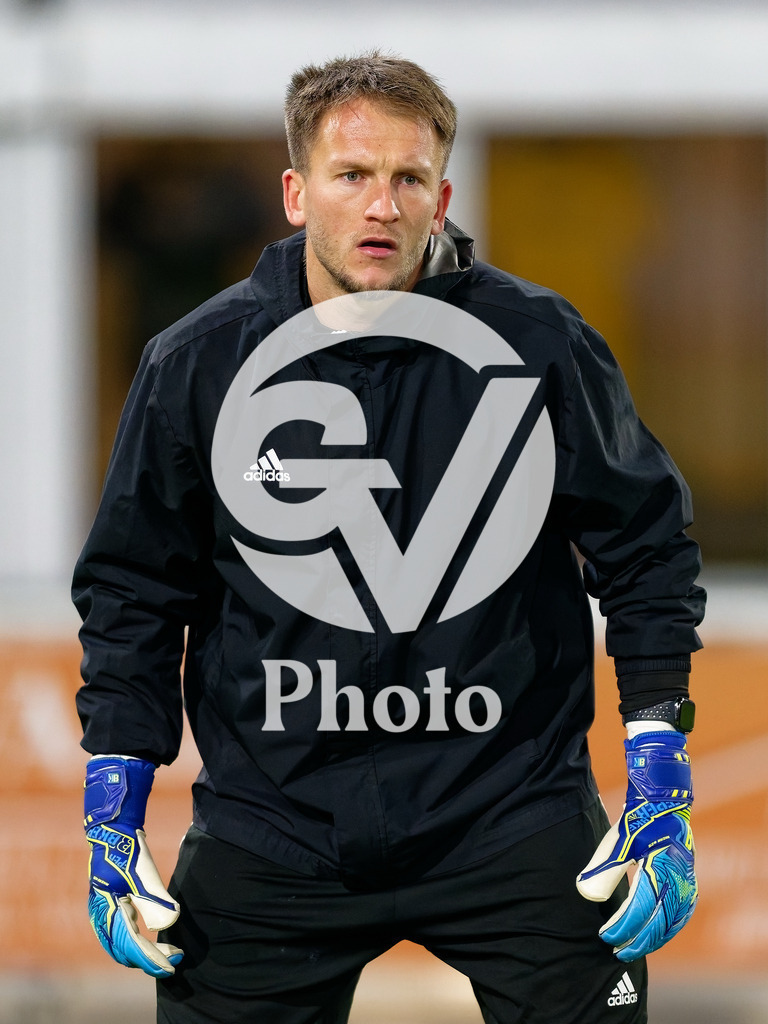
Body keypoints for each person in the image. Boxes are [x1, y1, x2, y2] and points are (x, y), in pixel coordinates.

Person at [75, 52, 705, 1024]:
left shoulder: (536, 345)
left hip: (509, 809)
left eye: (409, 179)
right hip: (276, 822)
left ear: (442, 194)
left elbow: (646, 545)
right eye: (353, 175)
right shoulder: (198, 366)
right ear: (295, 192)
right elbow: (134, 592)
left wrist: (660, 762)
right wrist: (112, 805)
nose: (382, 206)